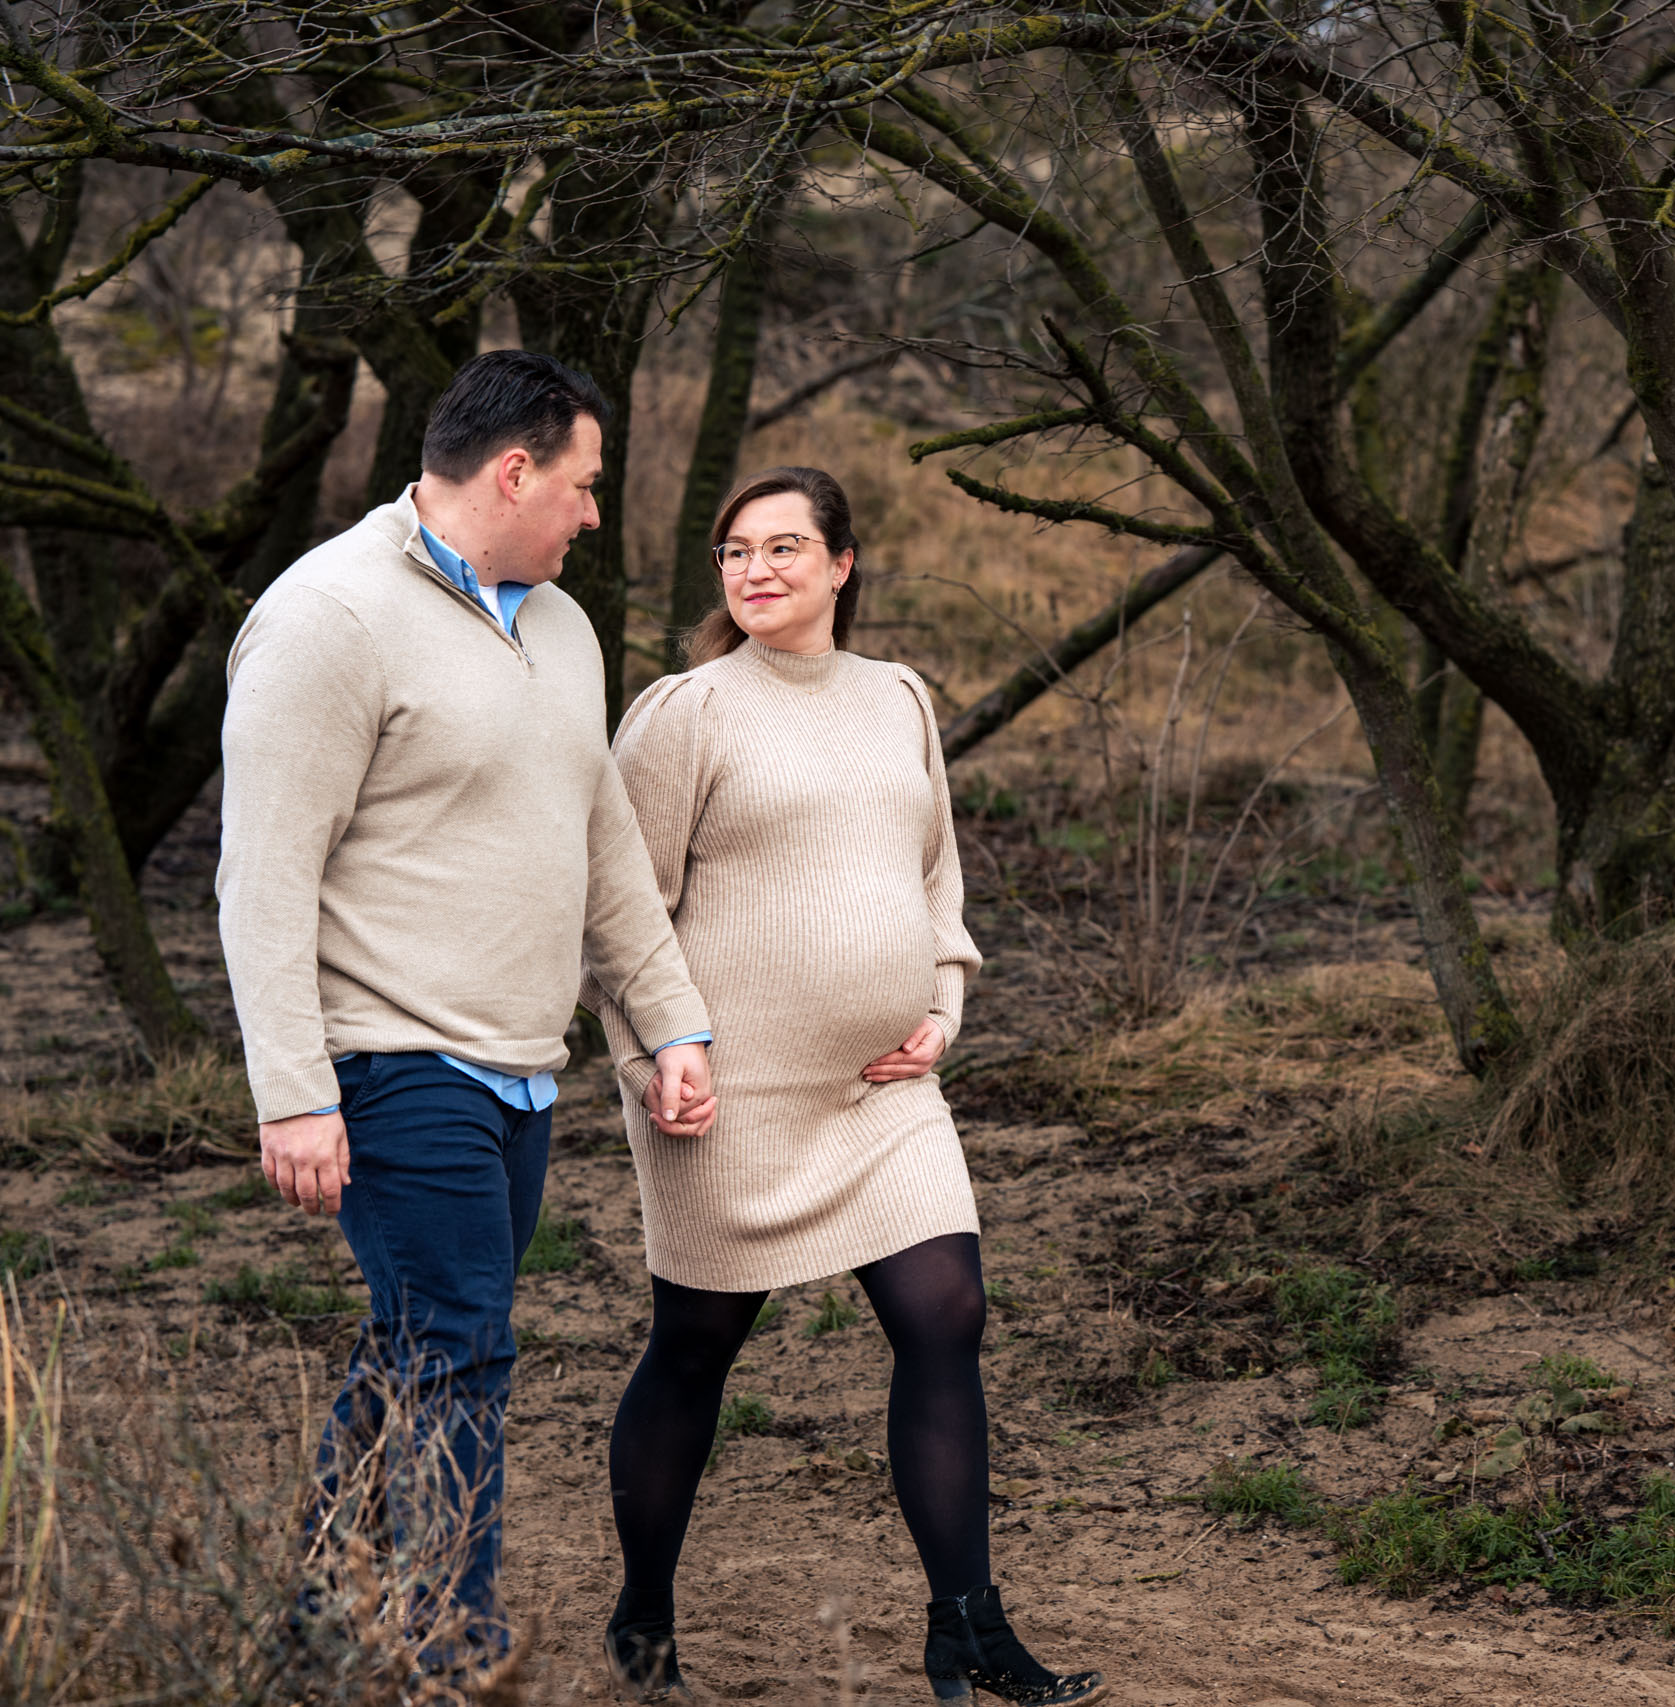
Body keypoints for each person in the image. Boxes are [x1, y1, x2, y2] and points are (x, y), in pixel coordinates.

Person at [219, 350, 719, 1669]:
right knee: (460, 1347)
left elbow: (602, 841)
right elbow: (261, 877)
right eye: (584, 482)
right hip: (389, 1057)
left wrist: (672, 1020)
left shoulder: (559, 624)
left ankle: (320, 1628)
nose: (594, 513)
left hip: (517, 1067)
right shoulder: (327, 616)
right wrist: (295, 1091)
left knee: (412, 1345)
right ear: (515, 470)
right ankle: (455, 1644)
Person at [585, 466, 1102, 1705]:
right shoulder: (685, 712)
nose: (755, 569)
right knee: (697, 1345)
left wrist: (941, 1005)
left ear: (841, 564)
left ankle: (966, 1627)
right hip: (728, 1093)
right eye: (733, 552)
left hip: (881, 1095)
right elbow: (618, 910)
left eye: (783, 547)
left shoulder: (897, 696)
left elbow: (936, 879)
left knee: (948, 1313)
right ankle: (644, 1614)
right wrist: (657, 1053)